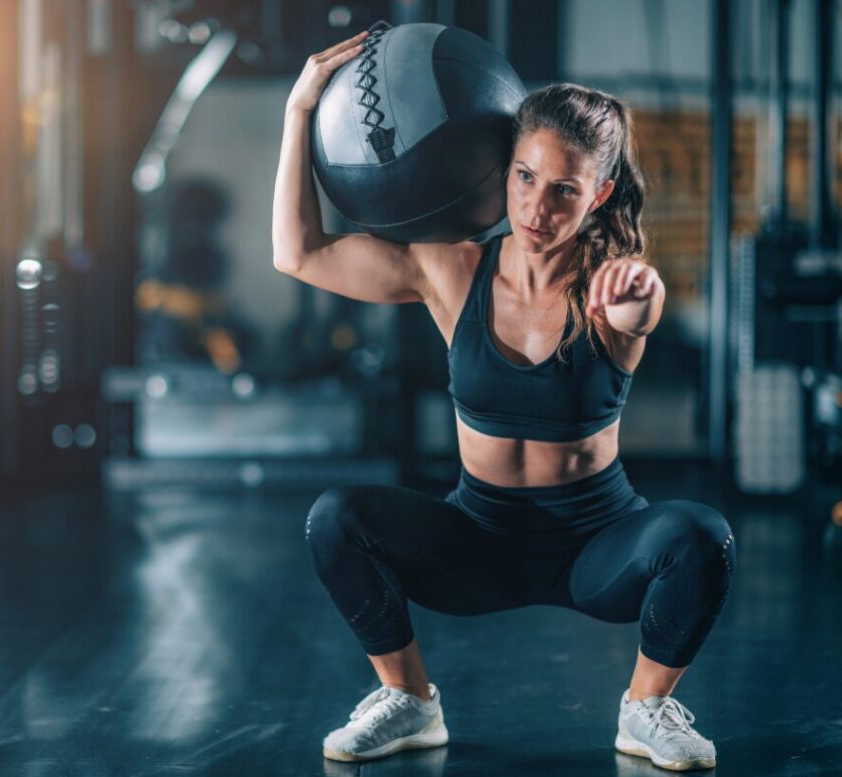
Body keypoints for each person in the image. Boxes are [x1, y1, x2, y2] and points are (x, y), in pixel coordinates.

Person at [272, 31, 736, 772]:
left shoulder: (611, 284)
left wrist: (641, 297)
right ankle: (409, 700)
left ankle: (646, 709)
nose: (536, 207)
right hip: (479, 540)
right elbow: (297, 253)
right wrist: (299, 112)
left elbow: (638, 307)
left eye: (564, 190)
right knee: (335, 516)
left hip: (597, 549)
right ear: (504, 166)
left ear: (599, 194)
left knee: (701, 534)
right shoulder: (450, 269)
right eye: (525, 176)